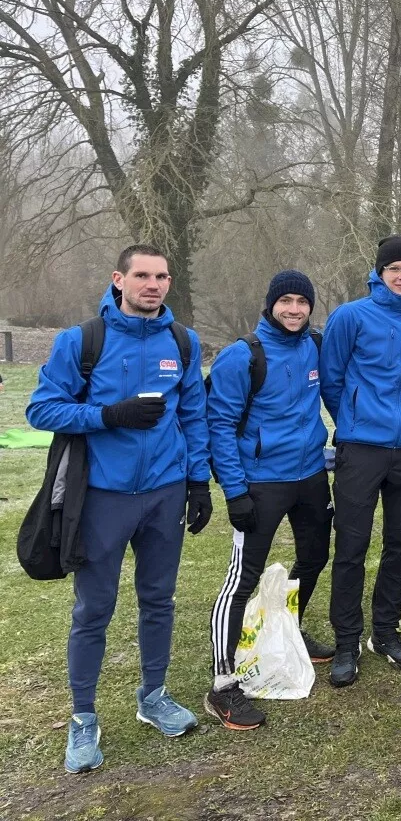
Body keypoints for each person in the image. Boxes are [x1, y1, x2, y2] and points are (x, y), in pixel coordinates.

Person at [27, 244, 211, 773]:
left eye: (162, 276)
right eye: (143, 275)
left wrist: (198, 483)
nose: (153, 285)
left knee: (159, 599)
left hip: (165, 492)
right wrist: (109, 414)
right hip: (103, 495)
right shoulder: (83, 341)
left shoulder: (184, 341)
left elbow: (194, 415)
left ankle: (153, 696)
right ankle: (83, 718)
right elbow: (41, 408)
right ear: (119, 279)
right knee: (93, 610)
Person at [204, 270, 333, 731]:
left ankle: (290, 629)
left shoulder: (315, 346)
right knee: (243, 576)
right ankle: (222, 684)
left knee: (315, 556)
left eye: (303, 302)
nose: (294, 309)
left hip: (311, 475)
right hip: (260, 481)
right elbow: (218, 424)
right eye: (287, 301)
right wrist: (235, 492)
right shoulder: (243, 356)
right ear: (270, 304)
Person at [319, 235, 401, 687]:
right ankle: (347, 640)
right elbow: (331, 379)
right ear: (380, 272)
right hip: (361, 447)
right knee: (351, 547)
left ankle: (385, 632)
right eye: (396, 270)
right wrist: (352, 420)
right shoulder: (351, 316)